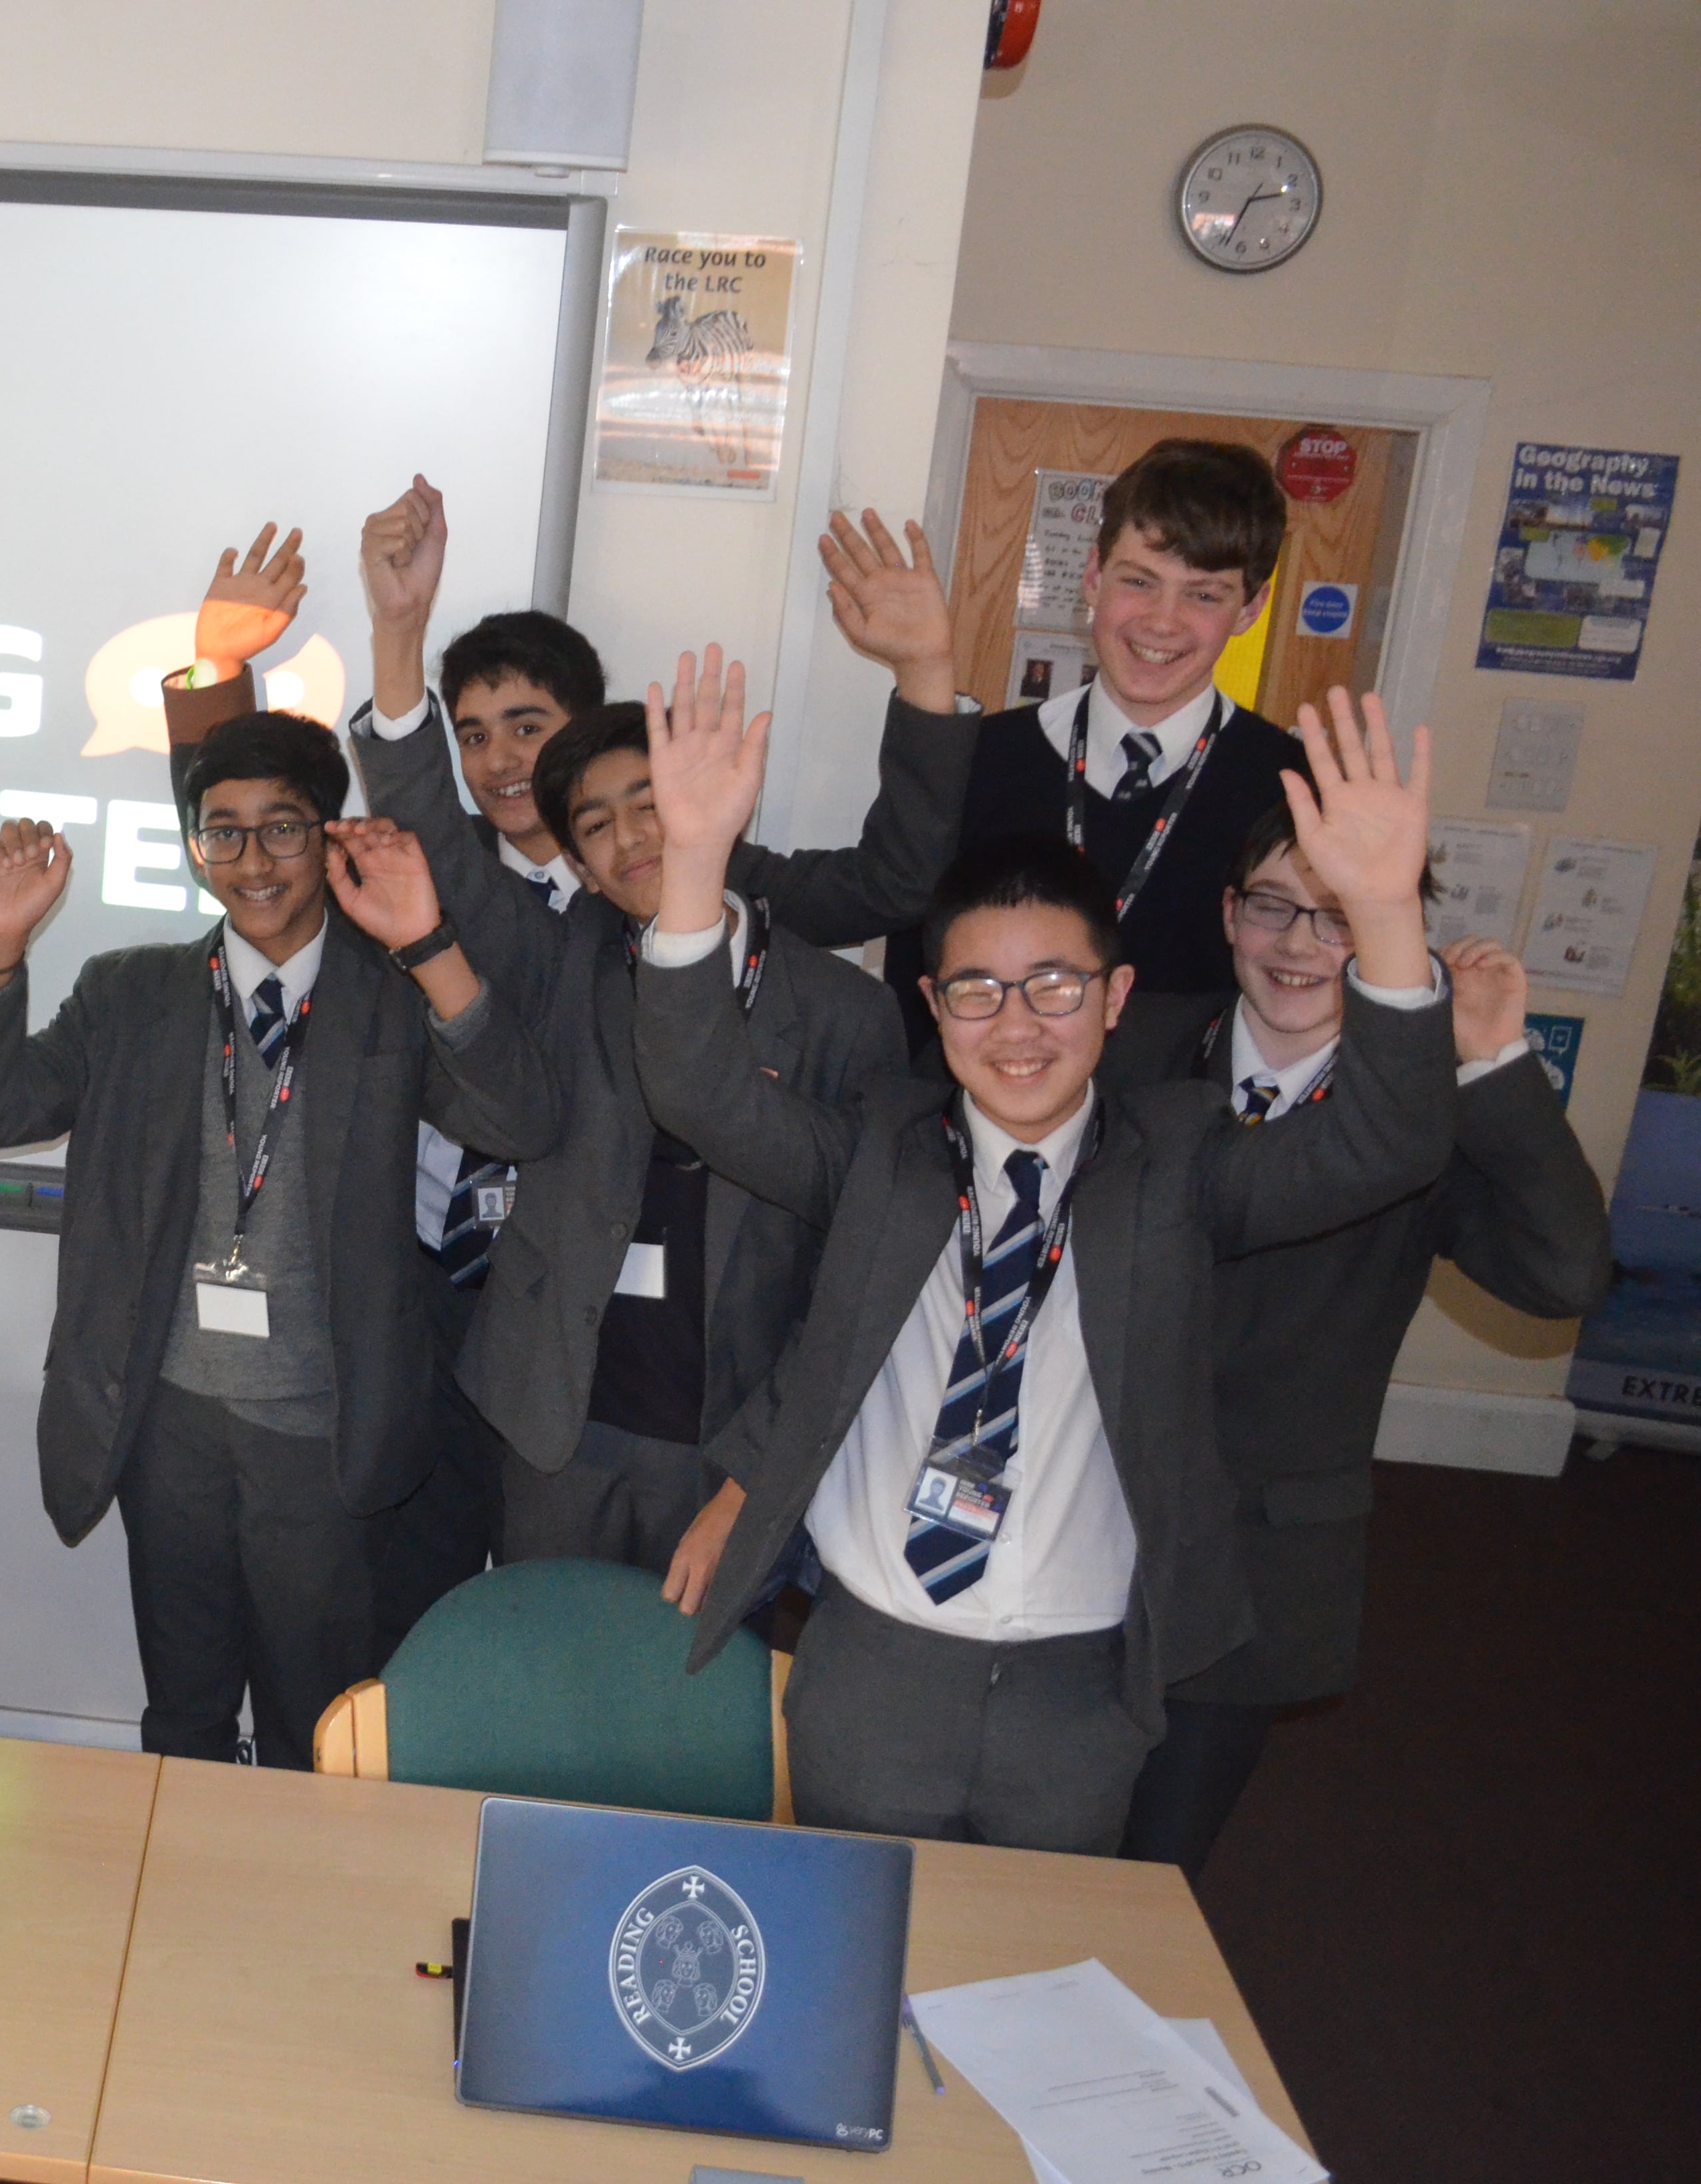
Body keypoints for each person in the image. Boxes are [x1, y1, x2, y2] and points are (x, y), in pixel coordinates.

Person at [642, 678, 1459, 1853]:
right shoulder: (878, 1150)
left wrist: (1381, 910)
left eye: (1055, 987)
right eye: (977, 990)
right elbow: (697, 1088)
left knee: (1036, 1950)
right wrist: (691, 864)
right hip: (875, 1659)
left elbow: (1388, 1139)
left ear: (1115, 997)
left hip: (1077, 1685)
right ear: (933, 1004)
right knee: (860, 1925)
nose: (1016, 1025)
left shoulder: (1180, 1162)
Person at [327, 478, 972, 1569]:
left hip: (723, 1416)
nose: (633, 838)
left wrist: (924, 674)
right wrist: (397, 635)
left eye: (653, 805)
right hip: (550, 1397)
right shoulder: (562, 943)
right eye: (597, 824)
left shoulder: (830, 997)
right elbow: (436, 846)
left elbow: (897, 878)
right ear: (577, 860)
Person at [0, 713, 556, 1769]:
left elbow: (520, 1121)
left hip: (322, 1425)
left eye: (282, 829)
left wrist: (428, 947)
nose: (253, 861)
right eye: (224, 833)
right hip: (167, 1415)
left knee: (317, 1720)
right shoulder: (130, 993)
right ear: (194, 847)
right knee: (184, 1711)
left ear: (329, 836)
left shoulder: (391, 994)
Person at [1106, 806, 1612, 1872]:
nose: (1298, 945)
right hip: (1077, 1514)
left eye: (1339, 918)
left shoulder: (1422, 1110)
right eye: (1272, 907)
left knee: (1151, 1871)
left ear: (1392, 936)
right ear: (1228, 914)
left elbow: (1564, 1276)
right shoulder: (1131, 1042)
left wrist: (1492, 1059)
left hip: (1254, 1560)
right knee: (1021, 1834)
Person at [878, 437, 1311, 1040]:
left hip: (1201, 1100)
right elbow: (915, 971)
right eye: (1139, 582)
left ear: (1251, 609)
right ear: (1093, 577)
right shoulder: (980, 760)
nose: (1162, 622)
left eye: (1203, 595)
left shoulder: (1294, 788)